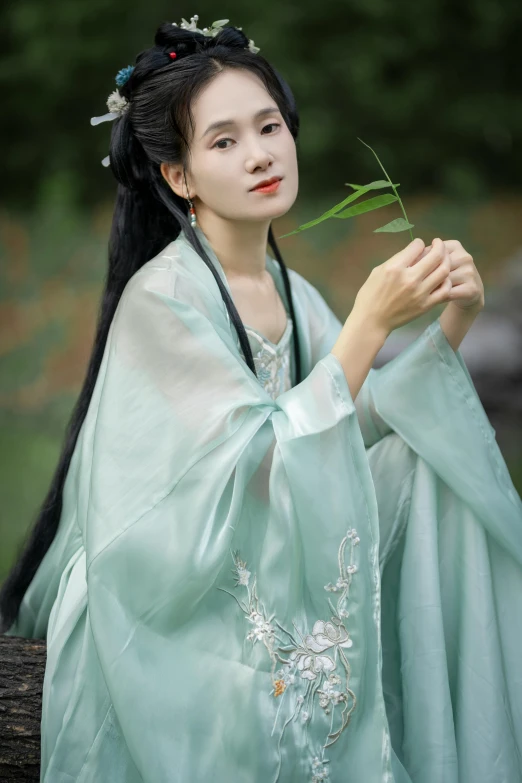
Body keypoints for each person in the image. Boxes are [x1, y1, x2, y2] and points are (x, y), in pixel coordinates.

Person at [1, 15, 521, 783]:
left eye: (269, 125)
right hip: (175, 589)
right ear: (179, 177)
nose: (260, 154)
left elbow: (359, 414)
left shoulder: (284, 286)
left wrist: (454, 319)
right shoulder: (164, 299)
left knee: (420, 463)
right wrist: (371, 321)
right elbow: (261, 464)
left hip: (256, 545)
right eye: (223, 141)